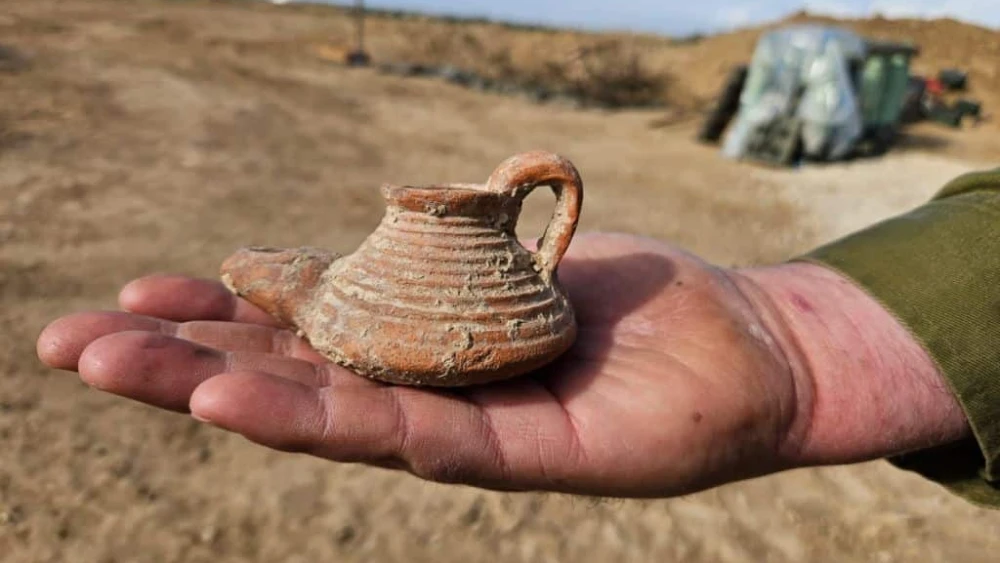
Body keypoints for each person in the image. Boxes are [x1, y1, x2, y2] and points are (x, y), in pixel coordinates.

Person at [36, 168, 1000, 506]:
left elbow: (550, 186)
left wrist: (799, 340)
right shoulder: (337, 292)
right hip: (495, 288)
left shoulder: (357, 296)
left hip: (485, 277)